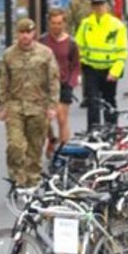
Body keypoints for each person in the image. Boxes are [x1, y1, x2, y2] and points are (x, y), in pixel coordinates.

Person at [0, 18, 59, 188]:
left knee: (35, 147)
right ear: (17, 33)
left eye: (28, 32)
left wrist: (53, 106)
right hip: (15, 106)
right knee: (15, 146)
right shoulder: (8, 55)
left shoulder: (45, 53)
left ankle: (33, 180)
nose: (25, 36)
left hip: (38, 106)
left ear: (34, 33)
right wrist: (1, 106)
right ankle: (18, 180)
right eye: (22, 32)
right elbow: (2, 81)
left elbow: (53, 80)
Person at [75, 0, 128, 130]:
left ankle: (111, 128)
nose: (98, 8)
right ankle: (93, 130)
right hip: (91, 68)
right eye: (95, 5)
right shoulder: (86, 24)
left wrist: (115, 71)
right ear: (92, 7)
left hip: (109, 69)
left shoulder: (117, 25)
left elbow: (122, 52)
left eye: (101, 5)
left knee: (109, 100)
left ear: (107, 7)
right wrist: (80, 64)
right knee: (92, 102)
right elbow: (78, 46)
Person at [39, 9, 80, 152]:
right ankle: (51, 138)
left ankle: (63, 152)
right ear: (49, 24)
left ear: (64, 23)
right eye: (53, 23)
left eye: (59, 23)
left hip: (64, 83)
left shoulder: (71, 43)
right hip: (45, 85)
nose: (56, 26)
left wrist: (72, 81)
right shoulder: (42, 41)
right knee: (44, 120)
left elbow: (75, 65)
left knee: (62, 119)